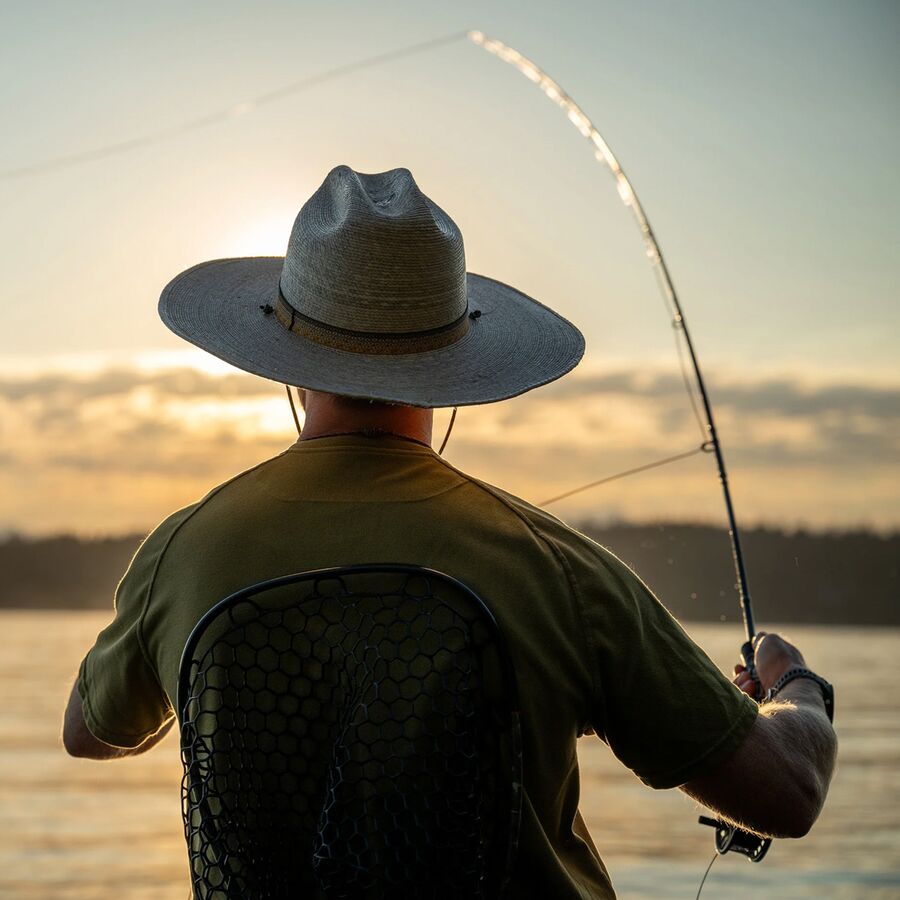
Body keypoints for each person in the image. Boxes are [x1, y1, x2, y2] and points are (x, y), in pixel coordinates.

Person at [62, 165, 837, 897]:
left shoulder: (183, 551)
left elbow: (90, 732)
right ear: (454, 368)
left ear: (286, 361)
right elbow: (789, 794)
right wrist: (796, 688)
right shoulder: (560, 572)